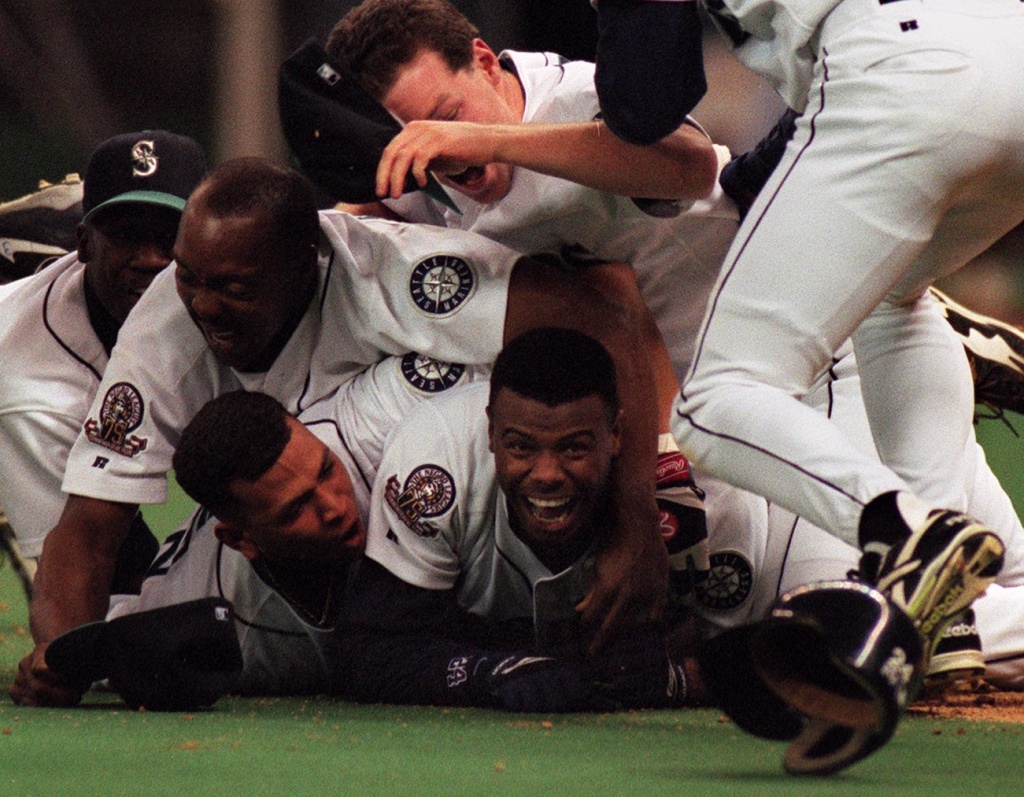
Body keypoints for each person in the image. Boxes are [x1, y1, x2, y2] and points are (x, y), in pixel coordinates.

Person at [315, 0, 1024, 687]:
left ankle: (925, 361)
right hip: (775, 385)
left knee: (844, 632)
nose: (436, 143)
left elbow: (689, 164)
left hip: (805, 369)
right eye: (411, 134)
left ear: (483, 61)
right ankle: (929, 334)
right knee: (991, 569)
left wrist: (486, 138)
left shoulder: (572, 96)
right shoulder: (432, 170)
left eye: (446, 115)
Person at [13, 156, 664, 707]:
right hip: (261, 533)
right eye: (191, 276)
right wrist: (60, 652)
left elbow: (608, 315)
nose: (204, 302)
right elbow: (91, 524)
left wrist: (638, 520)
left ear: (309, 262)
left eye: (233, 286)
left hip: (399, 451)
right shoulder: (170, 313)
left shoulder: (404, 274)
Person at [591, 0, 1024, 666]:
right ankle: (939, 615)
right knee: (888, 297)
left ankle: (906, 534)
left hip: (902, 64)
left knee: (715, 401)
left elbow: (647, 102)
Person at [340, 328, 701, 711]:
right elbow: (366, 652)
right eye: (521, 446)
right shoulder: (434, 468)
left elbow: (752, 643)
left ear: (615, 435)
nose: (547, 474)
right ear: (491, 432)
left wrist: (675, 679)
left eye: (574, 447)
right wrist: (488, 672)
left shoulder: (683, 495)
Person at [0, 131, 206, 598]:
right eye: (126, 236)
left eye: (170, 235)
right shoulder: (29, 379)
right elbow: (92, 569)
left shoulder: (248, 287)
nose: (152, 258)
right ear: (84, 242)